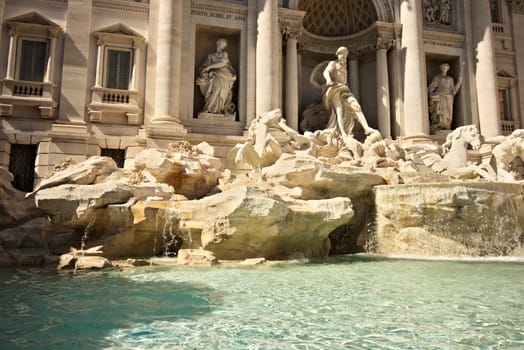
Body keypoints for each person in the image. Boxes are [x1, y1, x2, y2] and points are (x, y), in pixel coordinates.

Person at [322, 46, 375, 142]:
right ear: (337, 55)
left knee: (356, 106)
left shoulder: (344, 67)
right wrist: (328, 80)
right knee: (339, 110)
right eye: (342, 54)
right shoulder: (333, 63)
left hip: (344, 89)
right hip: (334, 88)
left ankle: (366, 128)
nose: (343, 56)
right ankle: (343, 134)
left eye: (345, 54)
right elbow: (326, 72)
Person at [196, 38, 237, 115]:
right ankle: (209, 108)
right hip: (215, 75)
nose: (225, 46)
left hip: (225, 75)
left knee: (222, 92)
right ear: (218, 43)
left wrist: (209, 67)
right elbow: (204, 65)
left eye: (225, 45)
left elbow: (222, 63)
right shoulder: (211, 56)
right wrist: (204, 70)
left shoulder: (224, 54)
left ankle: (219, 109)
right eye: (223, 44)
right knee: (215, 90)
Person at [427, 62, 462, 134]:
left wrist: (459, 81)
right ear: (441, 69)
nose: (444, 69)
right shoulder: (437, 78)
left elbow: (453, 90)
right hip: (440, 96)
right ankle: (439, 127)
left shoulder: (450, 79)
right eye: (443, 68)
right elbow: (431, 87)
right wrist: (433, 94)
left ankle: (446, 127)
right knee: (440, 112)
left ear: (447, 69)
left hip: (449, 98)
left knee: (448, 114)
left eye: (446, 68)